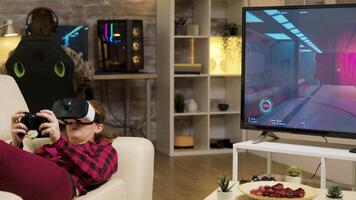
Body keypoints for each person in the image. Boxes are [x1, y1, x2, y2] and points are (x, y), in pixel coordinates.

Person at [0, 100, 118, 200]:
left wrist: (59, 140)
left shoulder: (102, 148)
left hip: (64, 183)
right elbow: (24, 171)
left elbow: (96, 174)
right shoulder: (50, 147)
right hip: (38, 181)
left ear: (98, 128)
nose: (74, 122)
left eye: (83, 119)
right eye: (70, 118)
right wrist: (15, 144)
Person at [0, 7, 95, 98]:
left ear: (29, 29)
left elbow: (4, 76)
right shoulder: (67, 53)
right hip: (60, 112)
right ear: (54, 29)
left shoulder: (15, 55)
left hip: (25, 112)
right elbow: (89, 75)